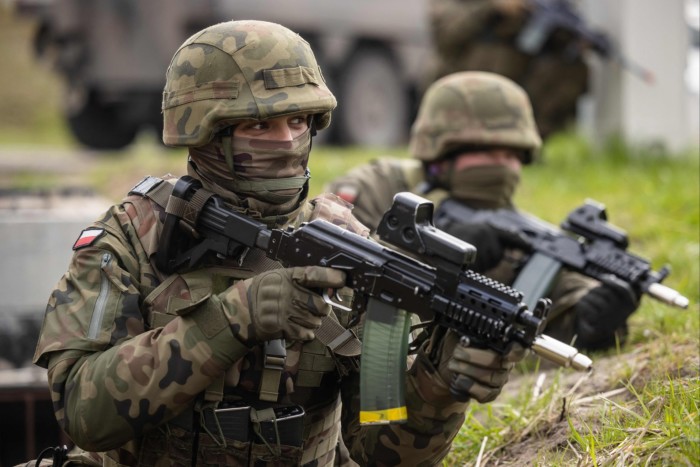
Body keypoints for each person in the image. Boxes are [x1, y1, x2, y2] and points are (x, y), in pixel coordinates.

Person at [31, 21, 525, 466]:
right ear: (204, 133)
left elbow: (384, 452)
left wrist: (441, 384)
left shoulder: (349, 250)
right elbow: (81, 412)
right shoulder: (133, 237)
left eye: (298, 122)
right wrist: (234, 318)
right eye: (258, 125)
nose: (287, 142)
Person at [326, 71, 640, 352]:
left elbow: (548, 300)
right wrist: (429, 255)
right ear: (440, 154)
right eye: (486, 152)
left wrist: (590, 319)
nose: (502, 166)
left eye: (512, 154)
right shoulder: (376, 187)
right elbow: (327, 257)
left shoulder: (515, 230)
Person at [426, 0, 591, 140]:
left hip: (520, 79)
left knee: (571, 67)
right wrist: (492, 8)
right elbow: (446, 36)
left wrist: (571, 39)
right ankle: (465, 140)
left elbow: (554, 39)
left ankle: (525, 141)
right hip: (467, 80)